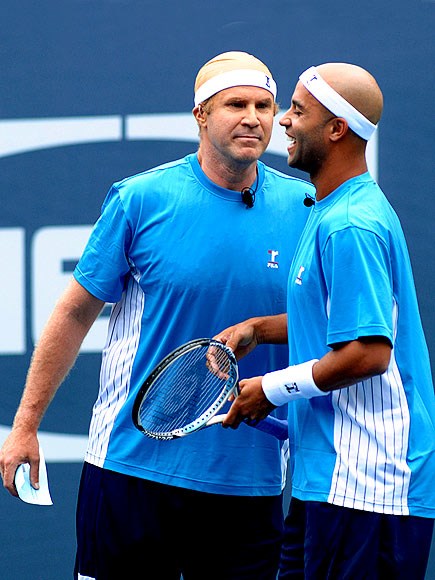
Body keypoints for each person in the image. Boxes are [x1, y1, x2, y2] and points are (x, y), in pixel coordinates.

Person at [0, 51, 315, 579]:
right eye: (235, 104)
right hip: (130, 470)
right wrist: (25, 426)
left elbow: (330, 327)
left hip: (248, 480)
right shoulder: (139, 199)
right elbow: (75, 313)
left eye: (264, 105)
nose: (253, 118)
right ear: (200, 115)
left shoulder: (307, 206)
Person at [214, 62, 435, 579]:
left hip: (370, 490)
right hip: (327, 482)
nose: (284, 122)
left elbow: (370, 353)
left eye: (298, 110)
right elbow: (335, 320)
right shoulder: (330, 209)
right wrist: (259, 329)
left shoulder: (351, 224)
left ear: (336, 129)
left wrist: (271, 387)